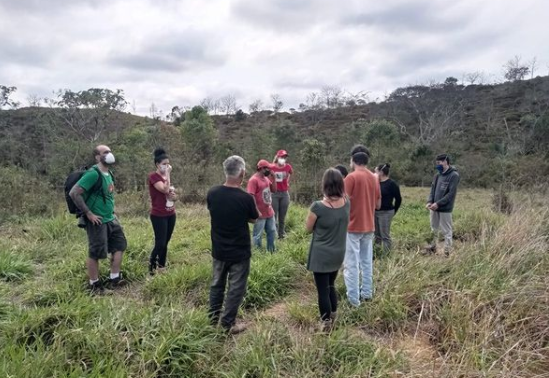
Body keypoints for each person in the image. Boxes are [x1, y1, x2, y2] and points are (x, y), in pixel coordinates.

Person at [207, 156, 259, 334]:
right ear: (242, 173)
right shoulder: (245, 198)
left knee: (217, 284)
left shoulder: (212, 193)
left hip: (219, 249)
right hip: (239, 252)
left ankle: (212, 319)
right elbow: (254, 218)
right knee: (236, 288)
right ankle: (228, 324)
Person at [69, 145, 127, 294]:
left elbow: (108, 195)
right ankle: (94, 285)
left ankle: (115, 278)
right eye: (105, 152)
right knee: (96, 252)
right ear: (97, 157)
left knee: (119, 245)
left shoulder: (109, 173)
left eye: (109, 151)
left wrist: (112, 212)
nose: (109, 154)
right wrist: (89, 214)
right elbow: (74, 193)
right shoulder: (93, 174)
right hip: (97, 220)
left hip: (110, 218)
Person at [305, 168, 350, 331]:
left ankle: (325, 324)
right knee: (331, 284)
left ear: (325, 185)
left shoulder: (318, 207)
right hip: (338, 253)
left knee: (322, 290)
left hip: (322, 254)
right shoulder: (346, 202)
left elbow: (308, 228)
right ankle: (333, 315)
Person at [343, 145, 381, 307]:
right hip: (369, 226)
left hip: (352, 226)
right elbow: (378, 204)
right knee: (366, 262)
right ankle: (367, 293)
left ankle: (353, 300)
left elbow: (342, 202)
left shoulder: (350, 178)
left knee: (351, 264)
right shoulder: (374, 178)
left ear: (353, 161)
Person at [148, 148, 177, 275]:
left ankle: (162, 266)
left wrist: (174, 197)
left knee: (166, 241)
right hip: (159, 215)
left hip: (171, 213)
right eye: (164, 164)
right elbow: (164, 190)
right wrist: (168, 175)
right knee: (160, 243)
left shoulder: (165, 177)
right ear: (157, 164)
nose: (167, 166)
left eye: (168, 164)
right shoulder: (153, 177)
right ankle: (151, 266)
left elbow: (172, 195)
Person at [426, 154, 460, 256]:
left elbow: (451, 194)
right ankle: (432, 248)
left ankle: (447, 251)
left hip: (445, 208)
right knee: (433, 229)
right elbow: (432, 190)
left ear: (445, 162)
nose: (438, 165)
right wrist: (430, 202)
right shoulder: (437, 175)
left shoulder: (454, 175)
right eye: (437, 163)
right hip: (434, 207)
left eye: (439, 163)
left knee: (446, 231)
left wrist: (438, 203)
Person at [247, 159, 277, 252]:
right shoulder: (253, 180)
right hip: (259, 213)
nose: (269, 170)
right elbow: (250, 196)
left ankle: (271, 250)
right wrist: (256, 211)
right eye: (267, 168)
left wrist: (274, 178)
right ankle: (258, 253)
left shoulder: (266, 178)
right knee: (258, 234)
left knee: (272, 231)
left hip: (269, 211)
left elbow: (274, 190)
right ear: (261, 168)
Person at [374, 164, 402, 254]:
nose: (375, 173)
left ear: (381, 172)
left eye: (376, 171)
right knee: (376, 235)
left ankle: (386, 255)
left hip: (386, 212)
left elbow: (398, 199)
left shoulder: (391, 184)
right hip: (375, 212)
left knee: (385, 235)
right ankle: (376, 253)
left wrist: (394, 210)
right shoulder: (375, 183)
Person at [271, 150, 293, 239]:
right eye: (281, 157)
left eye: (285, 157)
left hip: (284, 193)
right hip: (274, 193)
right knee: (274, 216)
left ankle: (281, 234)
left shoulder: (288, 167)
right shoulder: (272, 167)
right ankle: (274, 234)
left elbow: (291, 173)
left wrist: (287, 181)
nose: (283, 159)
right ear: (277, 157)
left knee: (282, 216)